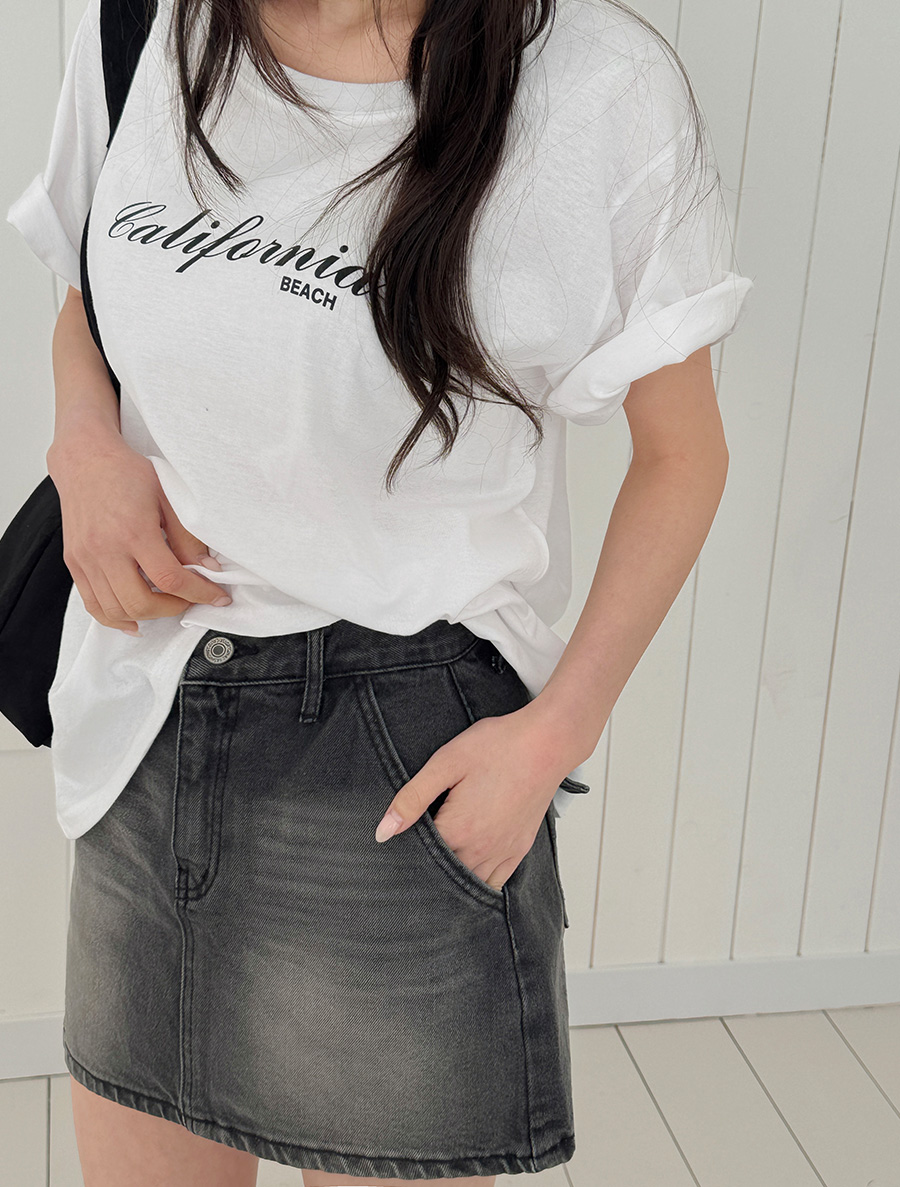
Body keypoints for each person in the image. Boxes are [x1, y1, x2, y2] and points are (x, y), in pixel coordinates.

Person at [5, 0, 753, 1181]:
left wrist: (554, 733)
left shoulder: (593, 87)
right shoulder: (147, 25)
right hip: (147, 716)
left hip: (399, 745)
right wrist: (84, 446)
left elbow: (683, 455)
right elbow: (89, 298)